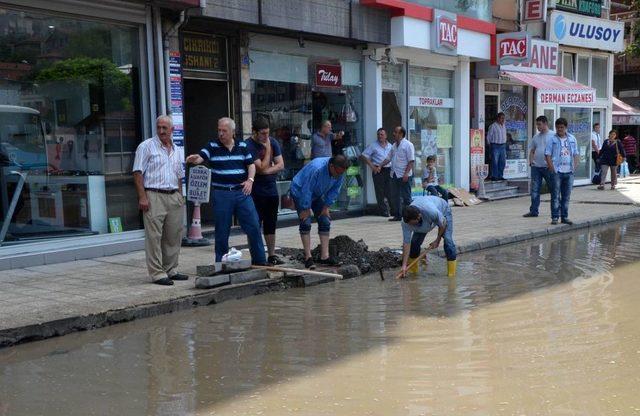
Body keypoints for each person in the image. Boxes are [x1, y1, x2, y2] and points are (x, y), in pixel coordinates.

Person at [185, 117, 267, 265]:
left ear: (232, 132)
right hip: (222, 193)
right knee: (222, 231)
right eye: (219, 130)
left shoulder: (242, 145)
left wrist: (250, 181)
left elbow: (251, 166)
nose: (221, 134)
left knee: (254, 226)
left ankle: (260, 262)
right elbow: (200, 158)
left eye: (224, 131)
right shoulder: (212, 146)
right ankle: (221, 264)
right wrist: (194, 159)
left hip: (242, 192)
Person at [133, 115, 187, 286]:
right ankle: (157, 273)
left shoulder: (178, 150)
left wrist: (180, 196)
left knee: (173, 235)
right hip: (154, 194)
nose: (161, 131)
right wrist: (142, 197)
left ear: (172, 130)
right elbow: (137, 172)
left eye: (165, 128)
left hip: (173, 196)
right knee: (154, 237)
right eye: (159, 127)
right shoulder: (146, 146)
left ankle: (171, 269)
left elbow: (179, 176)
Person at [289, 155, 349, 269]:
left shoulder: (340, 171)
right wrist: (306, 208)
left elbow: (335, 190)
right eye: (338, 172)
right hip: (300, 191)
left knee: (325, 220)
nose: (339, 175)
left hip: (317, 194)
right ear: (331, 166)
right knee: (305, 221)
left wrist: (326, 206)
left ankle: (324, 257)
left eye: (342, 173)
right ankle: (308, 257)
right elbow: (307, 189)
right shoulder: (317, 169)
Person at [245, 118, 285, 265]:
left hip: (271, 190)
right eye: (263, 134)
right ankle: (256, 255)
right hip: (255, 192)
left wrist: (267, 170)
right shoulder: (248, 145)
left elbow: (280, 164)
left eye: (268, 133)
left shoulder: (273, 141)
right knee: (255, 224)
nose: (266, 137)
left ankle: (272, 254)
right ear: (254, 132)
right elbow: (259, 168)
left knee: (271, 223)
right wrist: (267, 150)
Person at [399, 195, 457, 278]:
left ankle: (452, 274)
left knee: (448, 240)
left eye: (413, 224)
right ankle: (413, 272)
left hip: (443, 211)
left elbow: (443, 224)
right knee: (414, 243)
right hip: (425, 223)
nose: (411, 226)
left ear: (419, 217)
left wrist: (437, 240)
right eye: (410, 224)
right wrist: (404, 265)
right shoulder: (406, 223)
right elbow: (406, 243)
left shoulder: (431, 211)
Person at [545, 118, 580, 225]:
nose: (560, 129)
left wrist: (575, 166)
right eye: (558, 127)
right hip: (557, 171)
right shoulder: (552, 139)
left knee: (566, 196)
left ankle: (564, 217)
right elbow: (547, 154)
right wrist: (552, 168)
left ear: (566, 128)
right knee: (555, 195)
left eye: (562, 127)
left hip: (569, 172)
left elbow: (576, 153)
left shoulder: (572, 139)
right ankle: (555, 217)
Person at [381, 126, 415, 222]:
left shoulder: (408, 145)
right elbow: (388, 158)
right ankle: (398, 215)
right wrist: (380, 166)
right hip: (394, 174)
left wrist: (406, 173)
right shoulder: (394, 145)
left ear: (401, 134)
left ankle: (409, 216)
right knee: (395, 196)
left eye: (396, 132)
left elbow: (411, 161)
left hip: (404, 175)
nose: (394, 134)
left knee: (406, 197)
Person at [524, 115, 555, 218]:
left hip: (548, 167)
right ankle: (534, 211)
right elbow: (532, 150)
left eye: (539, 124)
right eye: (537, 124)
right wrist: (531, 162)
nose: (538, 126)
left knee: (553, 189)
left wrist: (553, 165)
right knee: (535, 189)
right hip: (536, 167)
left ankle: (555, 211)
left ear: (545, 123)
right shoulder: (536, 137)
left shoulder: (553, 136)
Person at [360, 127, 393, 216]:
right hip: (378, 170)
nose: (380, 136)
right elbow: (363, 156)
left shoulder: (390, 146)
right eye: (378, 134)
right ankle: (383, 211)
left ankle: (393, 210)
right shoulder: (373, 145)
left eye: (382, 134)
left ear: (386, 136)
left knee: (390, 190)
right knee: (380, 191)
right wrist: (372, 166)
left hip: (389, 170)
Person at [486, 112, 507, 181]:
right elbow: (489, 136)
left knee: (502, 162)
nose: (503, 120)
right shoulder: (493, 126)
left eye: (504, 118)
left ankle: (500, 175)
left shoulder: (504, 126)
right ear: (498, 118)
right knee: (495, 161)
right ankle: (494, 176)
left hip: (503, 145)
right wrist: (490, 145)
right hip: (495, 145)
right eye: (501, 118)